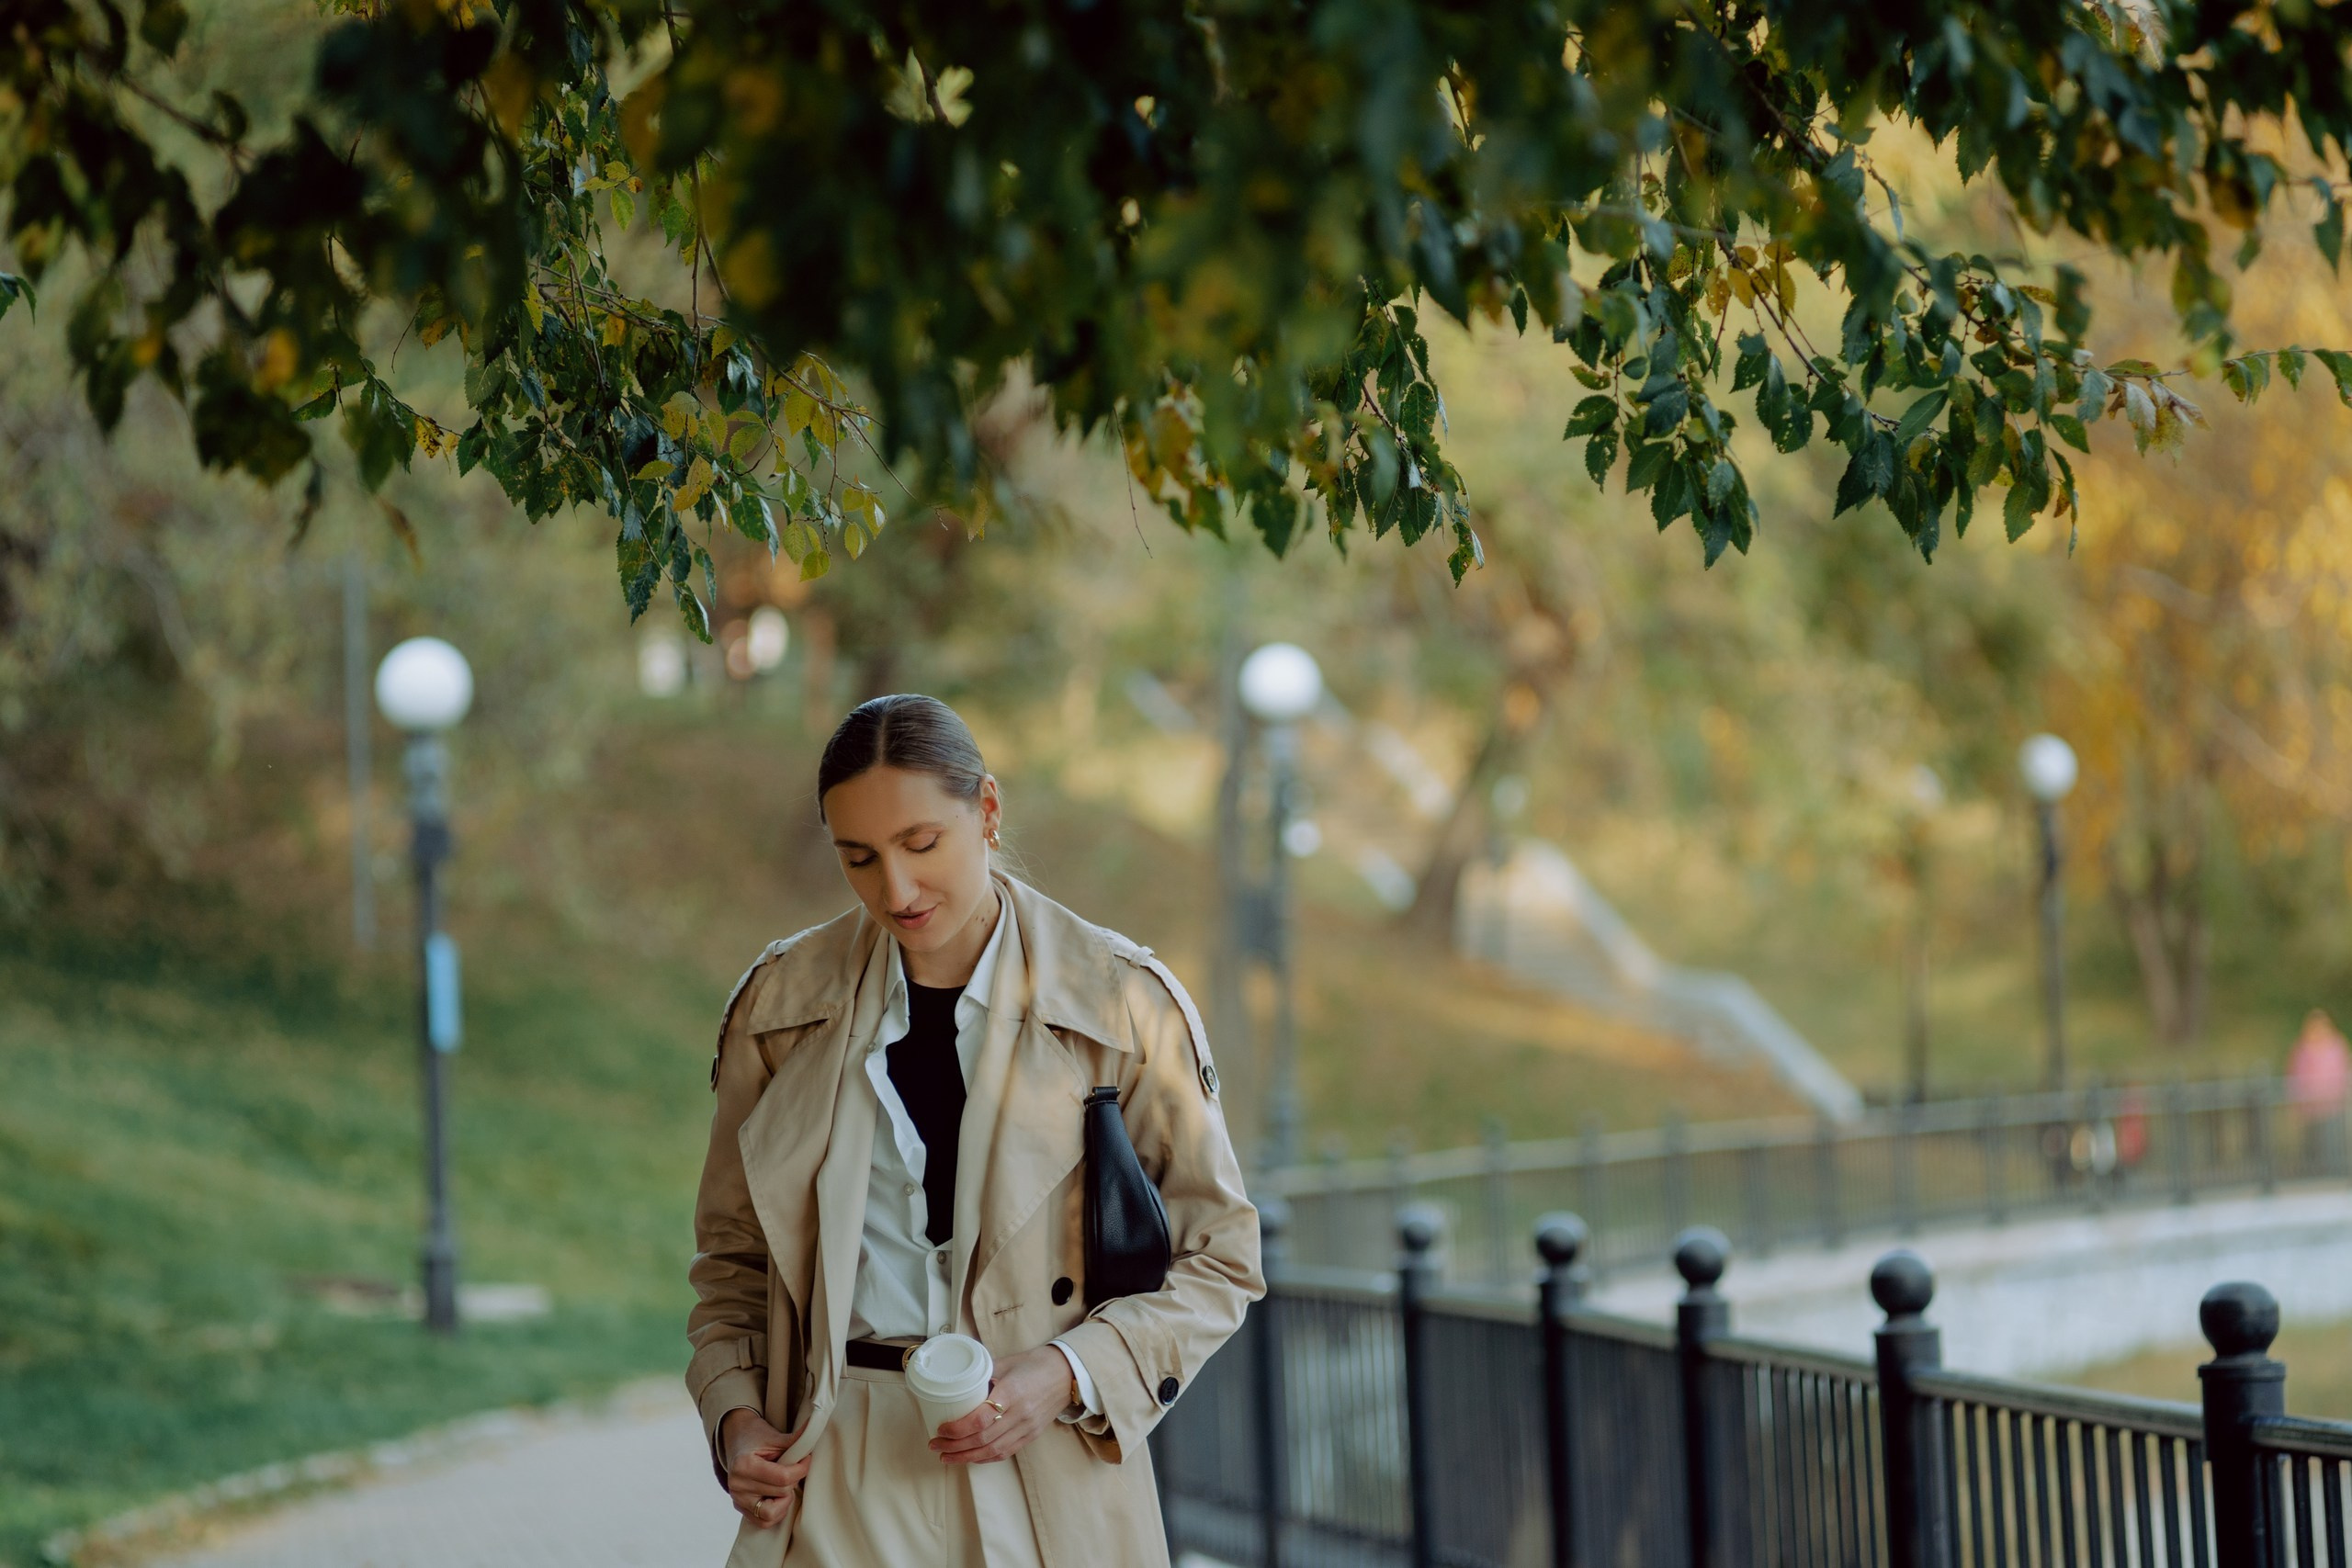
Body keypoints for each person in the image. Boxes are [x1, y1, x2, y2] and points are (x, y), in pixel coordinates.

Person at [684, 694, 1263, 1567]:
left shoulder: (1121, 1004)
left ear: (987, 811)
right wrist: (734, 1413)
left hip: (1049, 1466)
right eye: (860, 858)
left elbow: (1221, 1257)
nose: (897, 889)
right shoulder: (778, 1010)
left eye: (922, 844)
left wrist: (1071, 1373)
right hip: (837, 1472)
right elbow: (732, 1261)